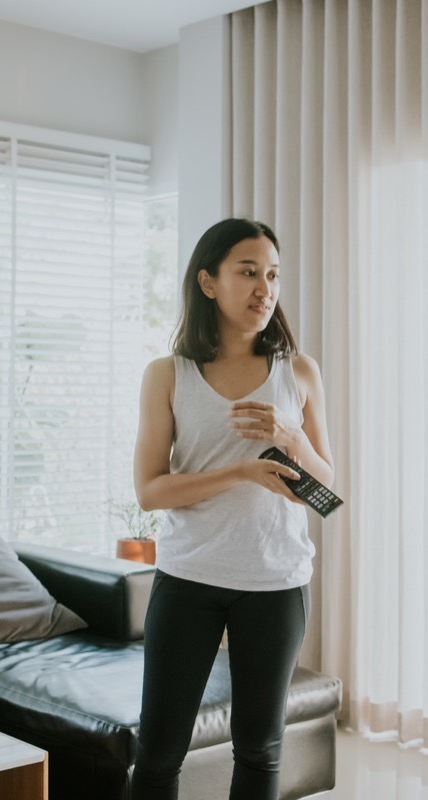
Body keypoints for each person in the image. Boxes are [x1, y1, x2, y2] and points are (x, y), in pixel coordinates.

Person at [130, 218, 335, 800]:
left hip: (276, 582)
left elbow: (327, 491)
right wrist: (241, 472)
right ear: (208, 282)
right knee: (160, 752)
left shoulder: (300, 373)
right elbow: (150, 490)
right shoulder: (168, 375)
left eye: (272, 275)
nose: (264, 288)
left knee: (261, 749)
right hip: (188, 578)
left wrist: (293, 439)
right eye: (247, 272)